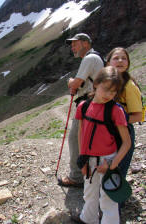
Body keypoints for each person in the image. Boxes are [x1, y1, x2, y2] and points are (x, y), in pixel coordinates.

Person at [72, 66, 131, 224]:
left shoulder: (116, 110)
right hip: (89, 160)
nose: (109, 95)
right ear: (96, 84)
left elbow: (127, 142)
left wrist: (112, 164)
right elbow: (81, 134)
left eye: (113, 92)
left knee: (108, 200)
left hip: (108, 160)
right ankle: (88, 219)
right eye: (106, 89)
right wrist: (82, 159)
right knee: (89, 194)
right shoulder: (83, 106)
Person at [58, 33, 104, 187]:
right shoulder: (95, 58)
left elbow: (76, 83)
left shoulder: (89, 58)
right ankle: (90, 171)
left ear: (85, 43)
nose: (72, 47)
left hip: (89, 105)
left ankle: (76, 177)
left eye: (75, 44)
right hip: (96, 103)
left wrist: (70, 82)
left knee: (74, 139)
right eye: (71, 45)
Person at [106, 47, 143, 178]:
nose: (120, 61)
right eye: (116, 58)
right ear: (108, 62)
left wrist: (116, 121)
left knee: (117, 170)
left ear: (128, 63)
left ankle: (116, 197)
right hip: (109, 131)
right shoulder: (108, 83)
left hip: (123, 133)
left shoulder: (129, 86)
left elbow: (139, 115)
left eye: (124, 58)